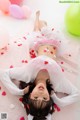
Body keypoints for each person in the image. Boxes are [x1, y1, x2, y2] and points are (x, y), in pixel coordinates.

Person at [0, 11, 80, 120]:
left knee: (38, 28)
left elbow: (3, 73)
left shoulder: (26, 75)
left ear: (30, 94)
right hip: (54, 42)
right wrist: (58, 101)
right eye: (44, 98)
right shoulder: (58, 83)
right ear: (49, 98)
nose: (41, 93)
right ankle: (38, 19)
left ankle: (37, 18)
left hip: (38, 42)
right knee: (45, 26)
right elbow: (76, 94)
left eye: (36, 97)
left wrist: (19, 91)